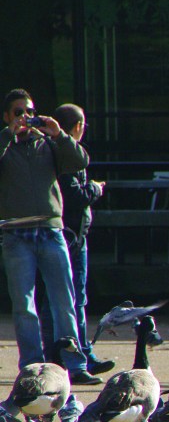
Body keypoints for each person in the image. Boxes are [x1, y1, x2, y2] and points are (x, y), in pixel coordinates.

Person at [0, 88, 97, 384]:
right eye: (19, 112)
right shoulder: (5, 145)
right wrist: (8, 135)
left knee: (63, 300)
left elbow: (80, 161)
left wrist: (59, 135)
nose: (26, 117)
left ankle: (74, 365)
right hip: (16, 234)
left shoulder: (48, 144)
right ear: (7, 116)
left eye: (30, 111)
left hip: (51, 231)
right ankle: (32, 367)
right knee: (24, 306)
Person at [35, 103, 115, 376]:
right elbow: (75, 196)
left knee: (58, 298)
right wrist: (95, 189)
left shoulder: (52, 150)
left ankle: (65, 354)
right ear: (78, 126)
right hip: (70, 236)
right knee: (71, 299)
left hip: (65, 233)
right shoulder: (66, 154)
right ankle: (73, 356)